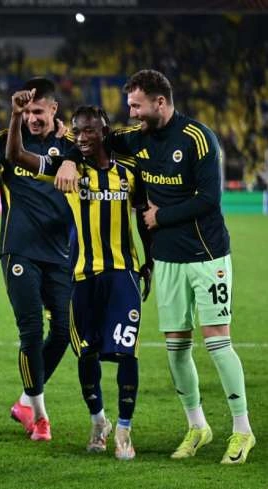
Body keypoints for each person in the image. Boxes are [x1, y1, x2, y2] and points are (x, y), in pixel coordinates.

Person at [56, 69, 255, 464]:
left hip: (207, 255)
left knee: (217, 343)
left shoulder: (198, 138)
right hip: (166, 261)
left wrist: (159, 217)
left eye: (136, 105)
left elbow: (209, 199)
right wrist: (66, 160)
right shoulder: (137, 138)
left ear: (159, 102)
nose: (131, 112)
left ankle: (242, 430)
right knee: (176, 349)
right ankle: (197, 426)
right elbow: (90, 139)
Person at [8, 96, 154, 459]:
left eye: (90, 130)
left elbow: (142, 217)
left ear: (105, 131)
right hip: (82, 276)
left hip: (123, 274)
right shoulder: (67, 168)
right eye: (77, 131)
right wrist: (15, 116)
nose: (83, 137)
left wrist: (149, 262)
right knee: (86, 354)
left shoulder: (130, 170)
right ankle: (98, 422)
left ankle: (124, 430)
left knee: (127, 353)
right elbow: (17, 157)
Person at [0, 78, 75, 441]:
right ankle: (39, 415)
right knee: (32, 331)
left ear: (54, 109)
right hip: (18, 248)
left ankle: (25, 401)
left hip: (60, 253)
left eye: (39, 111)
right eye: (28, 112)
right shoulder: (10, 139)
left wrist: (71, 154)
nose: (33, 118)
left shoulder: (70, 144)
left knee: (65, 330)